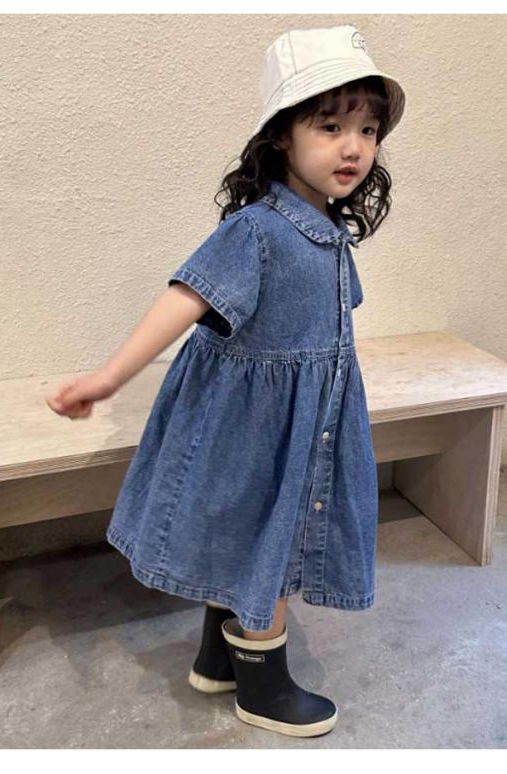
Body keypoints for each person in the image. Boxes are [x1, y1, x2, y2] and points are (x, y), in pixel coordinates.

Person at [45, 24, 405, 738]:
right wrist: (110, 376)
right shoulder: (258, 231)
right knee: (272, 544)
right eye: (330, 126)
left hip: (303, 420)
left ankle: (218, 660)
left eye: (367, 130)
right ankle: (262, 690)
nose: (354, 147)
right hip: (253, 429)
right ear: (281, 137)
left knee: (248, 537)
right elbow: (187, 296)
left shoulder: (327, 231)